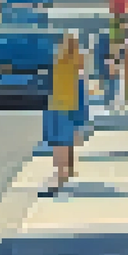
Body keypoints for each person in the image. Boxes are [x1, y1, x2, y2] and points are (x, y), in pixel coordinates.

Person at [42, 32, 85, 194]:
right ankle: (65, 172)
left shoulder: (55, 64)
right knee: (66, 141)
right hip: (68, 107)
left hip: (55, 107)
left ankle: (61, 175)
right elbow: (80, 90)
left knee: (58, 142)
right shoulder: (76, 65)